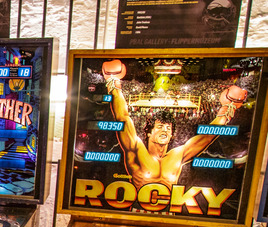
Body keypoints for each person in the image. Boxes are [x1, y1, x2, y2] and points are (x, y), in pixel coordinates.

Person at [101, 59, 247, 190]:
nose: (165, 130)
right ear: (148, 132)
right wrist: (114, 86)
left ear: (172, 134)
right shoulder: (137, 150)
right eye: (159, 127)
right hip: (137, 210)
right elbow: (123, 117)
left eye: (168, 128)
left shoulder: (177, 155)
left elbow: (207, 137)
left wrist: (226, 111)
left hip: (170, 215)